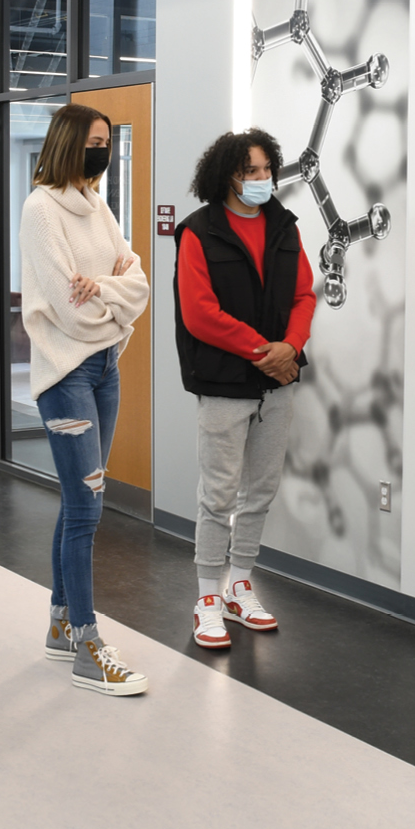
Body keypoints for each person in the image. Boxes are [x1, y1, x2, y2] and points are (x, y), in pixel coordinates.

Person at [22, 104, 152, 694]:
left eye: (107, 142)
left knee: (78, 503)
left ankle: (58, 626)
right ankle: (87, 644)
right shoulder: (41, 210)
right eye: (95, 141)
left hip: (105, 368)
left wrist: (103, 287)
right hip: (66, 374)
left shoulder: (99, 207)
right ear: (70, 143)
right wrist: (113, 298)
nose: (102, 151)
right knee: (87, 509)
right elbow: (68, 312)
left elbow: (140, 285)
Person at [172, 128, 317, 649]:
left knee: (261, 490)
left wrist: (292, 346)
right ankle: (207, 597)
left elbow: (304, 294)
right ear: (226, 176)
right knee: (218, 494)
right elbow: (200, 315)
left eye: (265, 170)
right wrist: (268, 352)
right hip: (225, 383)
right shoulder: (198, 232)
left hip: (278, 381)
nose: (261, 180)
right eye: (248, 171)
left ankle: (240, 583)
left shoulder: (285, 226)